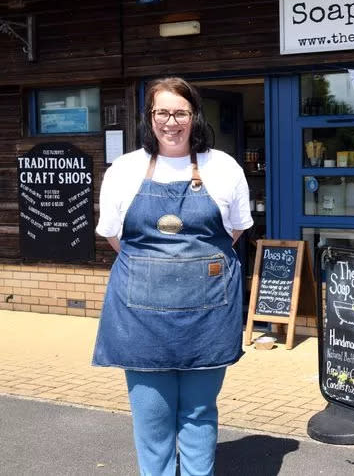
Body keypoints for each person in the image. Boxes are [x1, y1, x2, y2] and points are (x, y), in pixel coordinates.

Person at [92, 77, 253, 476]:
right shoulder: (125, 170)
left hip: (208, 312)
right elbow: (114, 235)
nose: (171, 121)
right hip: (139, 316)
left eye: (180, 112)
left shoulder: (224, 166)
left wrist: (188, 265)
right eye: (162, 112)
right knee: (152, 416)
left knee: (200, 412)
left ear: (194, 116)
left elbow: (232, 232)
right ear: (149, 118)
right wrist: (158, 267)